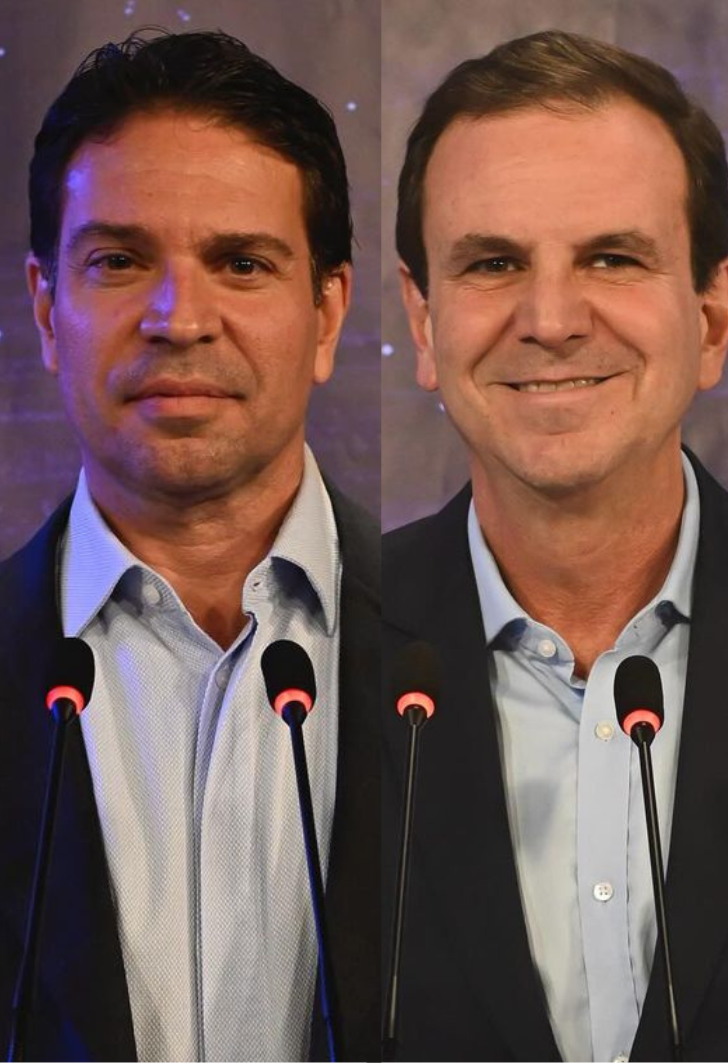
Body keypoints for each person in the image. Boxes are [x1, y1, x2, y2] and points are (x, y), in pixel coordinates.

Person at [0, 30, 376, 1061]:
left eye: (241, 263)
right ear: (47, 308)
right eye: (120, 262)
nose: (178, 318)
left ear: (327, 312)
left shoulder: (466, 642)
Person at [382, 30, 728, 1062]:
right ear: (422, 320)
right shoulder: (318, 663)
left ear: (713, 315)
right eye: (494, 263)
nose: (550, 319)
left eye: (613, 258)